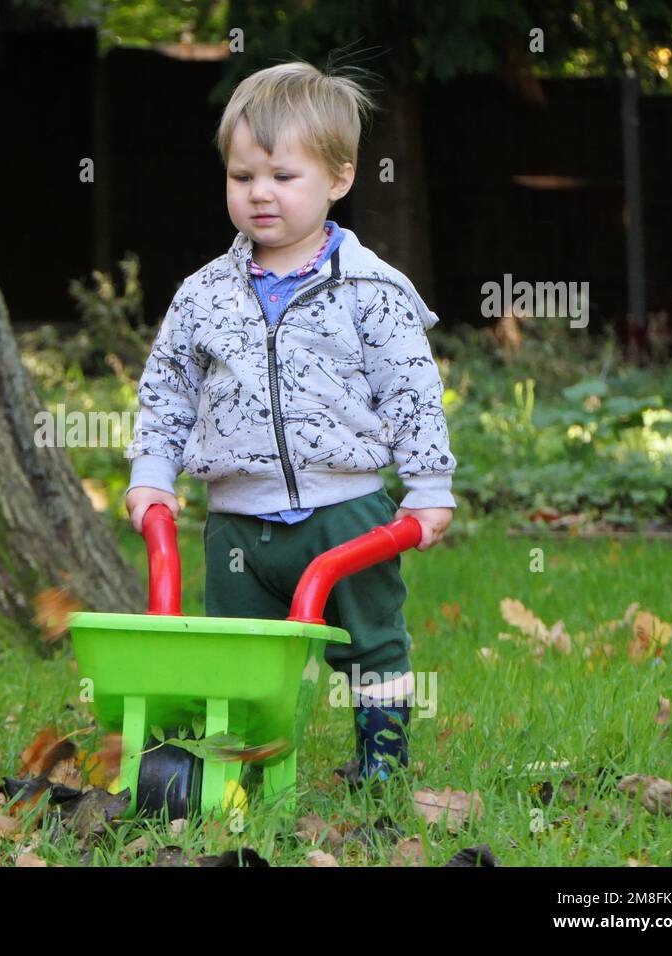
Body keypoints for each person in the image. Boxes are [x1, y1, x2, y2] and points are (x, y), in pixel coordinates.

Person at [123, 60, 455, 790]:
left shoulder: (372, 289)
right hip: (238, 523)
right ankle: (238, 778)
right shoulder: (204, 294)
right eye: (243, 177)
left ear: (339, 178)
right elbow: (168, 390)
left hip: (349, 513)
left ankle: (382, 768)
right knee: (241, 657)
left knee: (373, 645)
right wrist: (152, 476)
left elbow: (412, 392)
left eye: (282, 176)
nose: (260, 194)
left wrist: (428, 486)